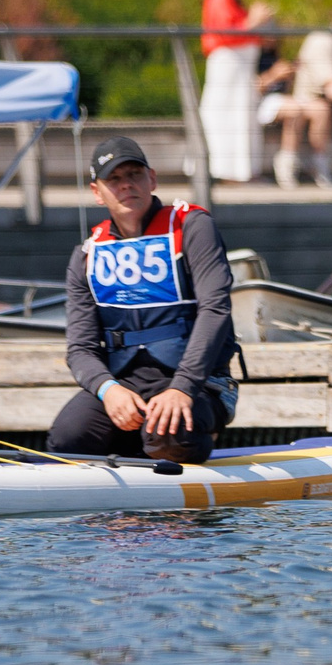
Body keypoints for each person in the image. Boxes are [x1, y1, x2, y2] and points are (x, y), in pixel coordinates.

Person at [49, 136, 237, 465]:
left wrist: (183, 386)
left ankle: (178, 440)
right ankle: (139, 448)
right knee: (68, 439)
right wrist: (108, 390)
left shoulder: (193, 227)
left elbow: (215, 309)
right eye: (114, 179)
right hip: (126, 383)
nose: (126, 186)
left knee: (168, 434)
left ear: (151, 179)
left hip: (199, 382)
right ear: (97, 192)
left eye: (134, 175)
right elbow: (80, 349)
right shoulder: (86, 255)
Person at [199, 0, 272, 183]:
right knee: (227, 118)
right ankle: (228, 172)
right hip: (229, 70)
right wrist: (254, 21)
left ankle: (243, 171)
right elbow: (226, 32)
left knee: (241, 117)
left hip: (240, 71)